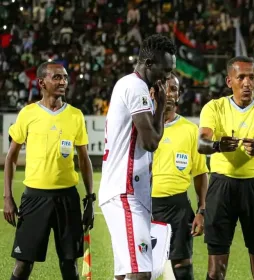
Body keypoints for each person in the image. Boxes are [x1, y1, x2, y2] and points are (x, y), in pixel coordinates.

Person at [3, 61, 95, 280]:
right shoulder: (28, 113)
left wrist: (90, 199)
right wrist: (8, 197)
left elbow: (84, 159)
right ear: (41, 82)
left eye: (64, 77)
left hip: (67, 198)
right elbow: (11, 157)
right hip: (35, 198)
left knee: (69, 264)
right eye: (56, 77)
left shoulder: (75, 115)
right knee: (23, 265)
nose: (63, 81)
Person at [98, 34, 176, 280]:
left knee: (125, 273)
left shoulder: (135, 86)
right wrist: (161, 106)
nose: (167, 77)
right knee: (141, 272)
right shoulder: (135, 87)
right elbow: (150, 142)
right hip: (125, 191)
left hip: (129, 191)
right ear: (149, 63)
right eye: (165, 70)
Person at [198, 56, 254, 280]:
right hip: (222, 187)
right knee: (215, 272)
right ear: (228, 81)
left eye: (251, 77)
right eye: (240, 77)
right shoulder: (214, 107)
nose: (246, 83)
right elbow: (202, 143)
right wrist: (217, 145)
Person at [151, 73, 209, 280]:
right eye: (163, 88)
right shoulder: (142, 128)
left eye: (173, 89)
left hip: (178, 207)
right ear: (153, 92)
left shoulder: (190, 130)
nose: (168, 93)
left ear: (179, 95)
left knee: (182, 264)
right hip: (145, 206)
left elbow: (201, 173)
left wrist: (202, 210)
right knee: (141, 266)